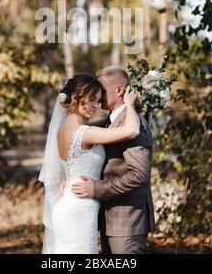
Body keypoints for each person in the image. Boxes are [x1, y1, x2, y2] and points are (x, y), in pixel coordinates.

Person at [38, 73, 139, 254]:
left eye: (99, 100)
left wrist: (66, 180)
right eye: (92, 100)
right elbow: (132, 130)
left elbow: (72, 163)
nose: (97, 105)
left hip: (70, 201)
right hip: (79, 211)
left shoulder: (64, 128)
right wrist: (129, 105)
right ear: (76, 98)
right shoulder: (84, 132)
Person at [71, 66, 156, 254]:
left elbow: (139, 175)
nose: (97, 96)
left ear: (119, 90)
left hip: (128, 222)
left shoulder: (134, 123)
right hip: (110, 220)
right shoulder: (108, 121)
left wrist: (97, 188)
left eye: (100, 91)